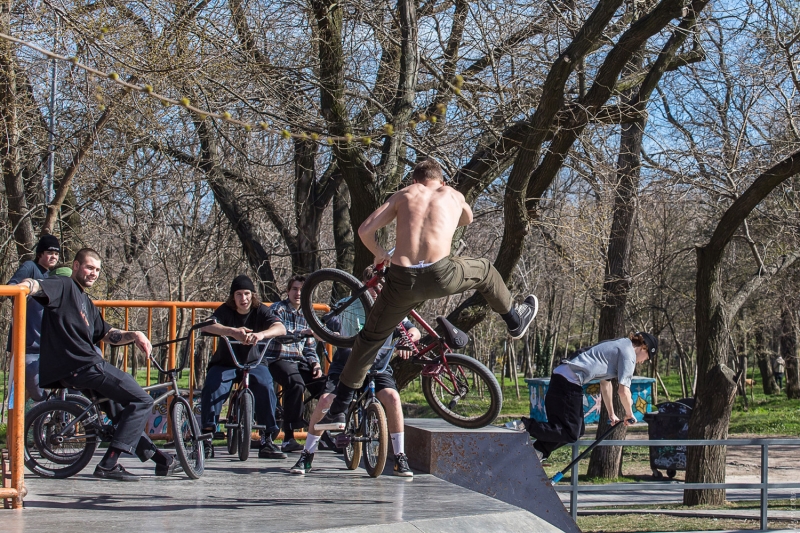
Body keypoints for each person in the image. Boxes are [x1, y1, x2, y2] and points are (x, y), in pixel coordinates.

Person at [317, 158, 539, 430]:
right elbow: (467, 218)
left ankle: (339, 410)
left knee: (368, 340)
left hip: (401, 281)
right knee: (485, 270)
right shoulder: (453, 194)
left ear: (414, 180)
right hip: (440, 275)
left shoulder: (404, 194)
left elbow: (364, 230)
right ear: (442, 181)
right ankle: (514, 319)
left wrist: (380, 254)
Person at [19, 248, 180, 481]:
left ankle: (161, 460)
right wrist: (24, 287)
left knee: (119, 412)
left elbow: (107, 333)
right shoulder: (63, 285)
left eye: (97, 270)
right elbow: (38, 287)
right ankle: (109, 463)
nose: (93, 273)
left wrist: (134, 334)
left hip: (80, 369)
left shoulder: (85, 301)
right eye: (88, 267)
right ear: (76, 266)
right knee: (142, 400)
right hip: (84, 365)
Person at [290, 266, 421, 477]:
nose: (377, 292)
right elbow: (321, 327)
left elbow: (413, 330)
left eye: (381, 288)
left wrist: (409, 339)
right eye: (373, 287)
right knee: (325, 401)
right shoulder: (347, 305)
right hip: (345, 367)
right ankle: (307, 454)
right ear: (363, 286)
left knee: (393, 398)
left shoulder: (392, 309)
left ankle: (400, 457)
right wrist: (323, 334)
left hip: (377, 369)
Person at [521, 332, 657, 460]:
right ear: (644, 347)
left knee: (577, 430)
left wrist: (611, 413)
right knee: (571, 432)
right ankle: (524, 425)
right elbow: (623, 391)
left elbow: (605, 385)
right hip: (569, 382)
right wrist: (629, 413)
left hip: (562, 378)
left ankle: (536, 452)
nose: (643, 362)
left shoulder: (620, 345)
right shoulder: (629, 355)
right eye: (647, 358)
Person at [199, 275, 288, 459]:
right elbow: (206, 326)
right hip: (226, 363)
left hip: (254, 362)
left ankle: (266, 439)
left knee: (265, 385)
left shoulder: (260, 310)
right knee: (213, 386)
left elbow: (281, 328)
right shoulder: (225, 310)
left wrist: (262, 335)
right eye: (239, 294)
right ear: (233, 297)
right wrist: (231, 332)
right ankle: (206, 438)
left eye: (247, 293)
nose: (243, 298)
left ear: (252, 295)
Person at [266, 275, 326, 452]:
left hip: (300, 361)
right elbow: (279, 333)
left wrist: (315, 364)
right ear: (287, 291)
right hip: (278, 358)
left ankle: (324, 434)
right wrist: (303, 331)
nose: (298, 293)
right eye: (295, 289)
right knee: (295, 382)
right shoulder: (278, 309)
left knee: (326, 387)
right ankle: (289, 436)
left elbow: (309, 347)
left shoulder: (309, 314)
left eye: (302, 290)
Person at [7, 235, 61, 402]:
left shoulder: (53, 276)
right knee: (27, 391)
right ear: (40, 253)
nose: (54, 257)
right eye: (50, 252)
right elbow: (11, 289)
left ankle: (53, 419)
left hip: (44, 345)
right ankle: (24, 424)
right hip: (25, 343)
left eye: (57, 254)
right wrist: (25, 292)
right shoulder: (30, 267)